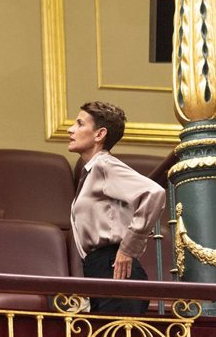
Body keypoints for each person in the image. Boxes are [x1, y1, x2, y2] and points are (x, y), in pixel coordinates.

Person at [68, 101, 165, 314]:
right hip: (100, 269)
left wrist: (128, 248)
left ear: (99, 134)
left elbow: (154, 193)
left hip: (115, 267)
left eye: (79, 124)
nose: (70, 129)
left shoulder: (104, 165)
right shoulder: (92, 171)